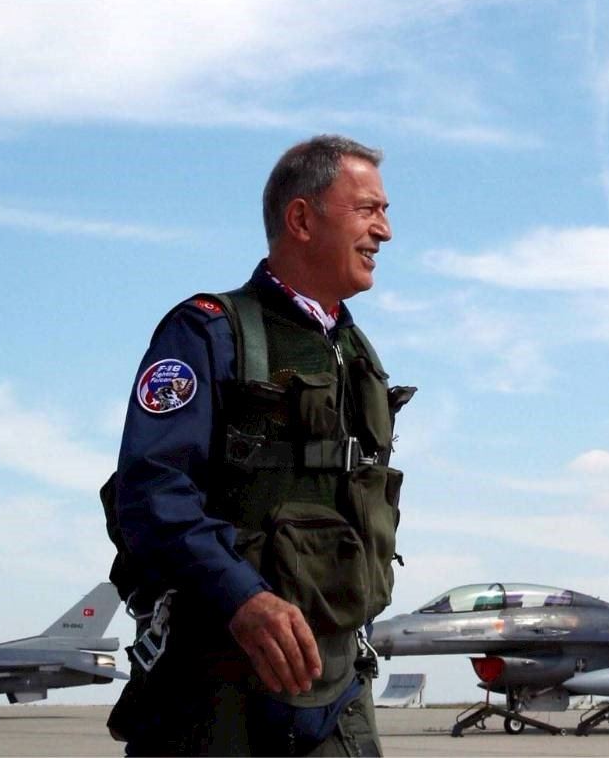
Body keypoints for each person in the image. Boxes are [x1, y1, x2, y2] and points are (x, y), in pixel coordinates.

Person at [109, 135, 413, 756]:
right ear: (301, 219)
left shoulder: (357, 354)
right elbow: (151, 491)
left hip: (337, 680)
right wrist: (241, 597)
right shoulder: (209, 332)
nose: (384, 231)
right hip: (219, 679)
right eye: (367, 210)